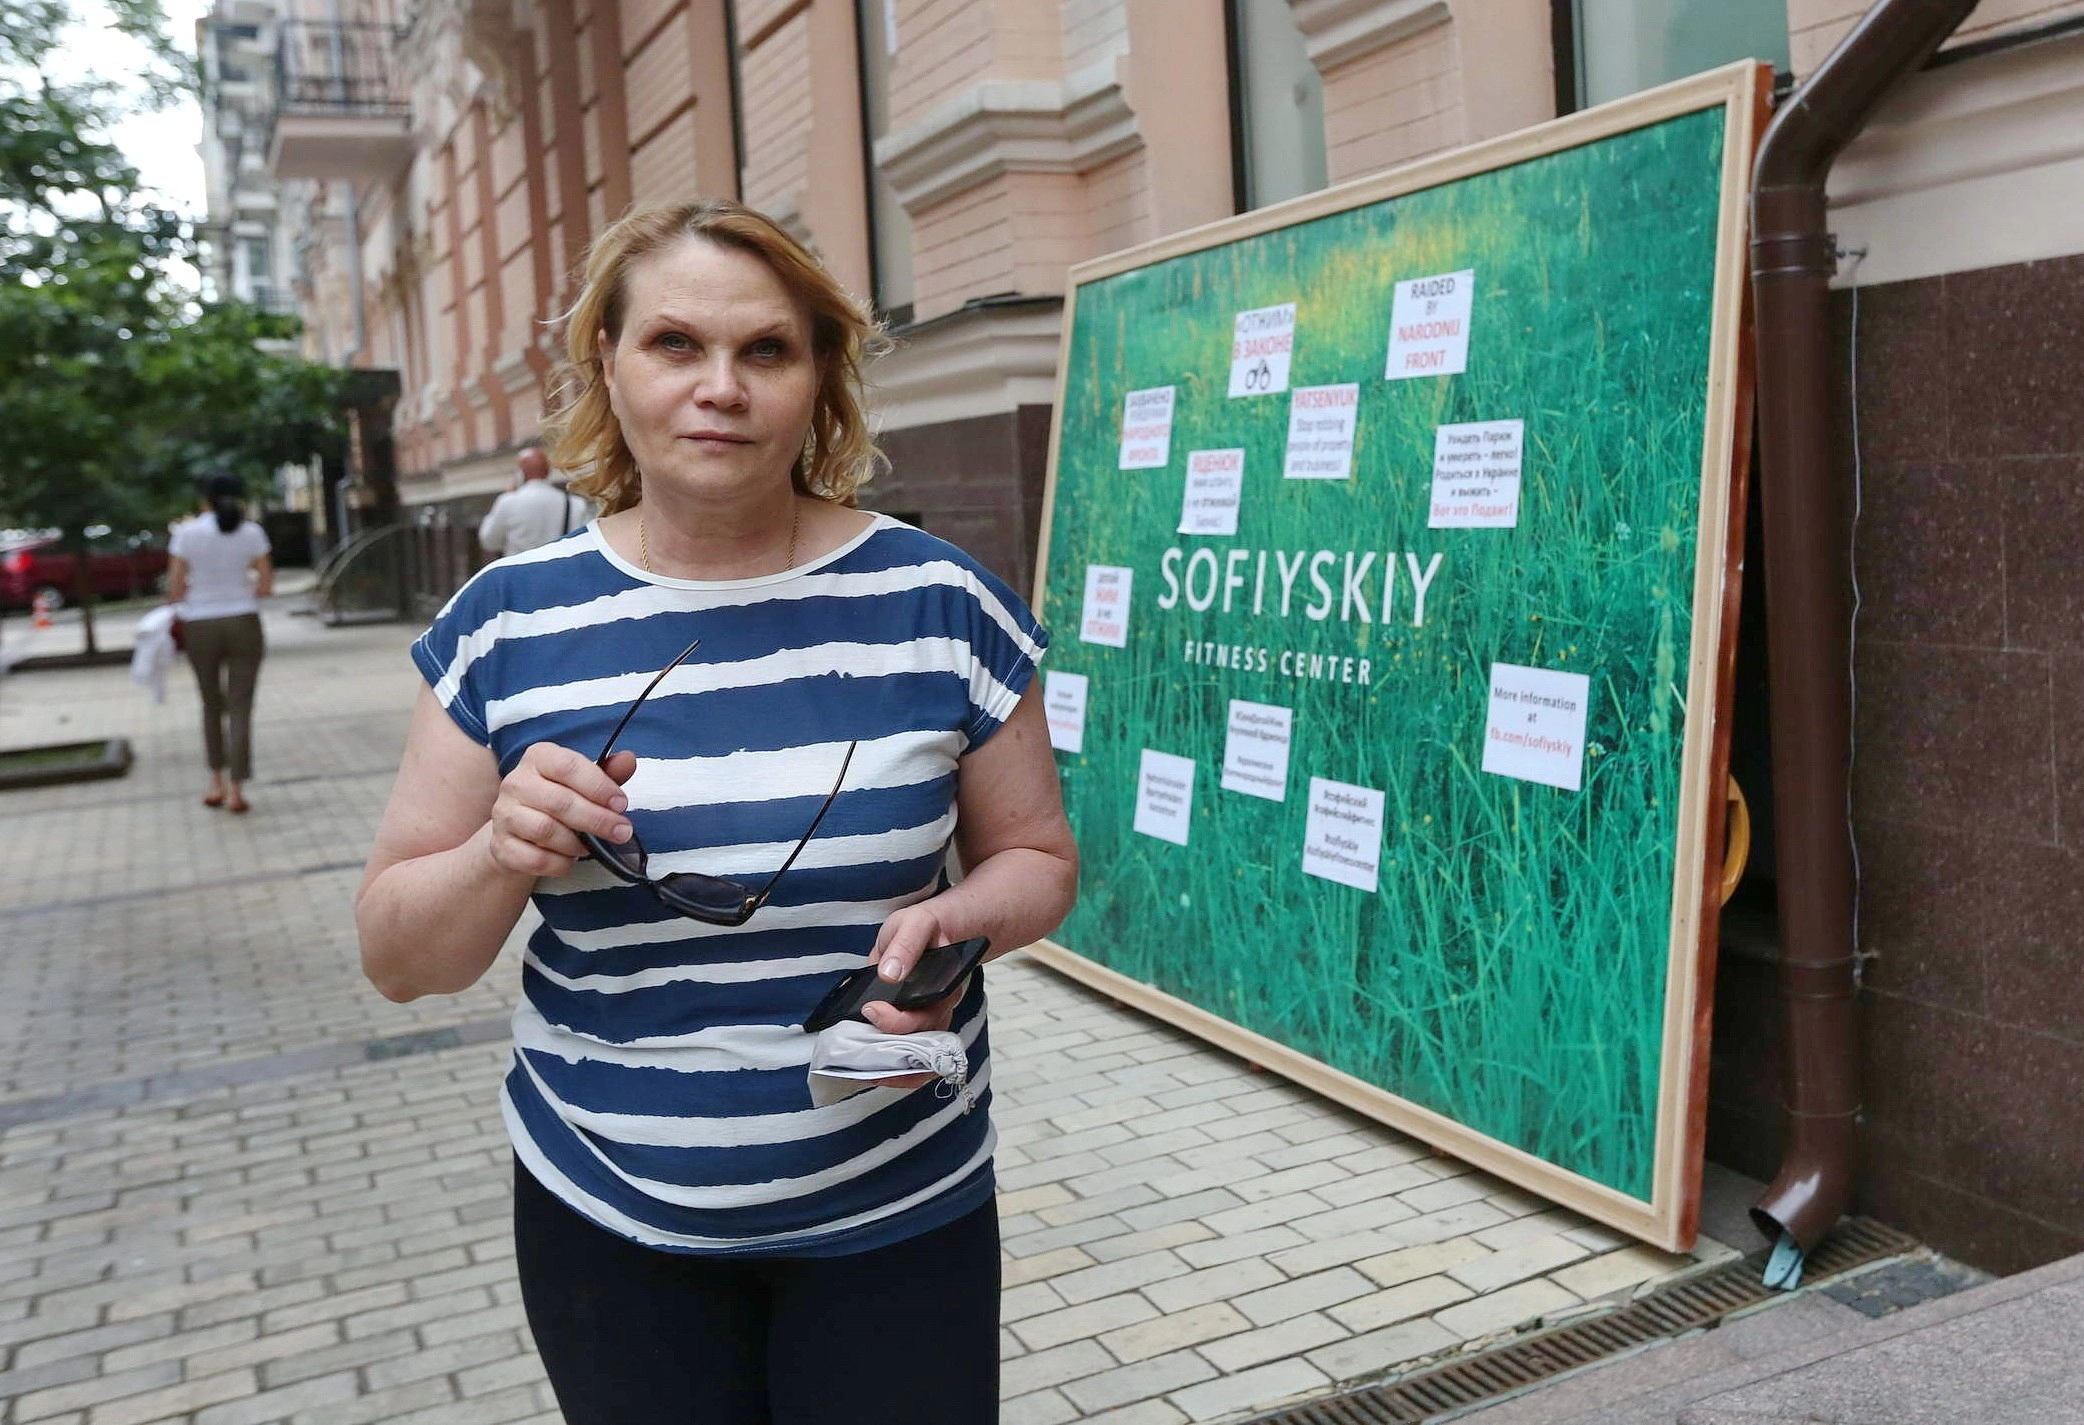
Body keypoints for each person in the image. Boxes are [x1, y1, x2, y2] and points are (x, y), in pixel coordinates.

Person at [355, 199, 1079, 1425]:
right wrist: (498, 852)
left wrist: (955, 923)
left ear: (818, 379)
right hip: (608, 1214)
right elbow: (397, 957)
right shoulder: (507, 622)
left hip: (898, 1206)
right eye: (675, 344)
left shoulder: (936, 598)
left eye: (766, 351)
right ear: (607, 363)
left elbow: (1039, 858)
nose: (720, 389)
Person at [167, 475, 273, 813]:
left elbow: (176, 587)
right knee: (241, 705)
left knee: (211, 704)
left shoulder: (186, 534)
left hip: (200, 623)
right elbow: (266, 584)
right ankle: (238, 791)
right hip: (243, 621)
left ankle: (216, 782)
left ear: (204, 500)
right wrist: (243, 590)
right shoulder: (252, 532)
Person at [474, 444, 589, 558]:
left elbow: (488, 541)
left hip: (520, 573)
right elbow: (582, 542)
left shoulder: (507, 502)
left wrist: (508, 493)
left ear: (520, 474)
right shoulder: (575, 504)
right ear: (547, 472)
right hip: (560, 572)